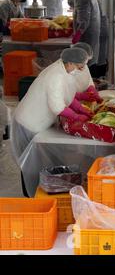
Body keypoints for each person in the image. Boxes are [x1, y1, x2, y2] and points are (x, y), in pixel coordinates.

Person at [12, 48, 92, 196]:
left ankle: (46, 189)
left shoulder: (64, 70)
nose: (80, 70)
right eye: (79, 67)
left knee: (40, 160)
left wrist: (81, 109)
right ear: (70, 63)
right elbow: (57, 107)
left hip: (39, 121)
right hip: (29, 122)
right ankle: (30, 196)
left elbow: (68, 95)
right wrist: (77, 117)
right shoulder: (55, 75)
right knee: (30, 162)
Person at [71, 0, 101, 70]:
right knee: (89, 61)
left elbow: (83, 21)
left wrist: (76, 37)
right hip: (90, 35)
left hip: (87, 37)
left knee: (86, 63)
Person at [90, 0, 109, 78]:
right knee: (102, 54)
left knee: (97, 56)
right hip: (103, 30)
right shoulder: (103, 2)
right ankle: (102, 74)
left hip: (99, 31)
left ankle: (99, 75)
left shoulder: (95, 4)